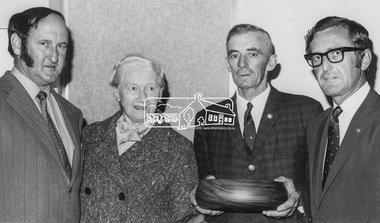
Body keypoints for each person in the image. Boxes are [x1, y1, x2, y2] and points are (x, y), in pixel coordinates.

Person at [191, 24, 323, 222]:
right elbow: (203, 178)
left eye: (252, 54)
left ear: (271, 62)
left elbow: (320, 182)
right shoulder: (207, 117)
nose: (242, 63)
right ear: (228, 63)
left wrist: (298, 198)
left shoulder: (306, 110)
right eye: (234, 55)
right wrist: (200, 193)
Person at [80, 52, 204, 223]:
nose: (143, 97)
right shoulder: (90, 136)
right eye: (133, 88)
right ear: (117, 92)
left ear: (160, 94)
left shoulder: (178, 149)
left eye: (150, 88)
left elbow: (185, 217)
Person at [0, 7, 84, 223]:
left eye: (61, 46)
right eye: (44, 44)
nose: (54, 56)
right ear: (17, 44)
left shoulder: (72, 114)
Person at [304, 16, 380, 222]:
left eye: (336, 53)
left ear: (364, 59)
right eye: (317, 57)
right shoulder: (316, 125)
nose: (325, 67)